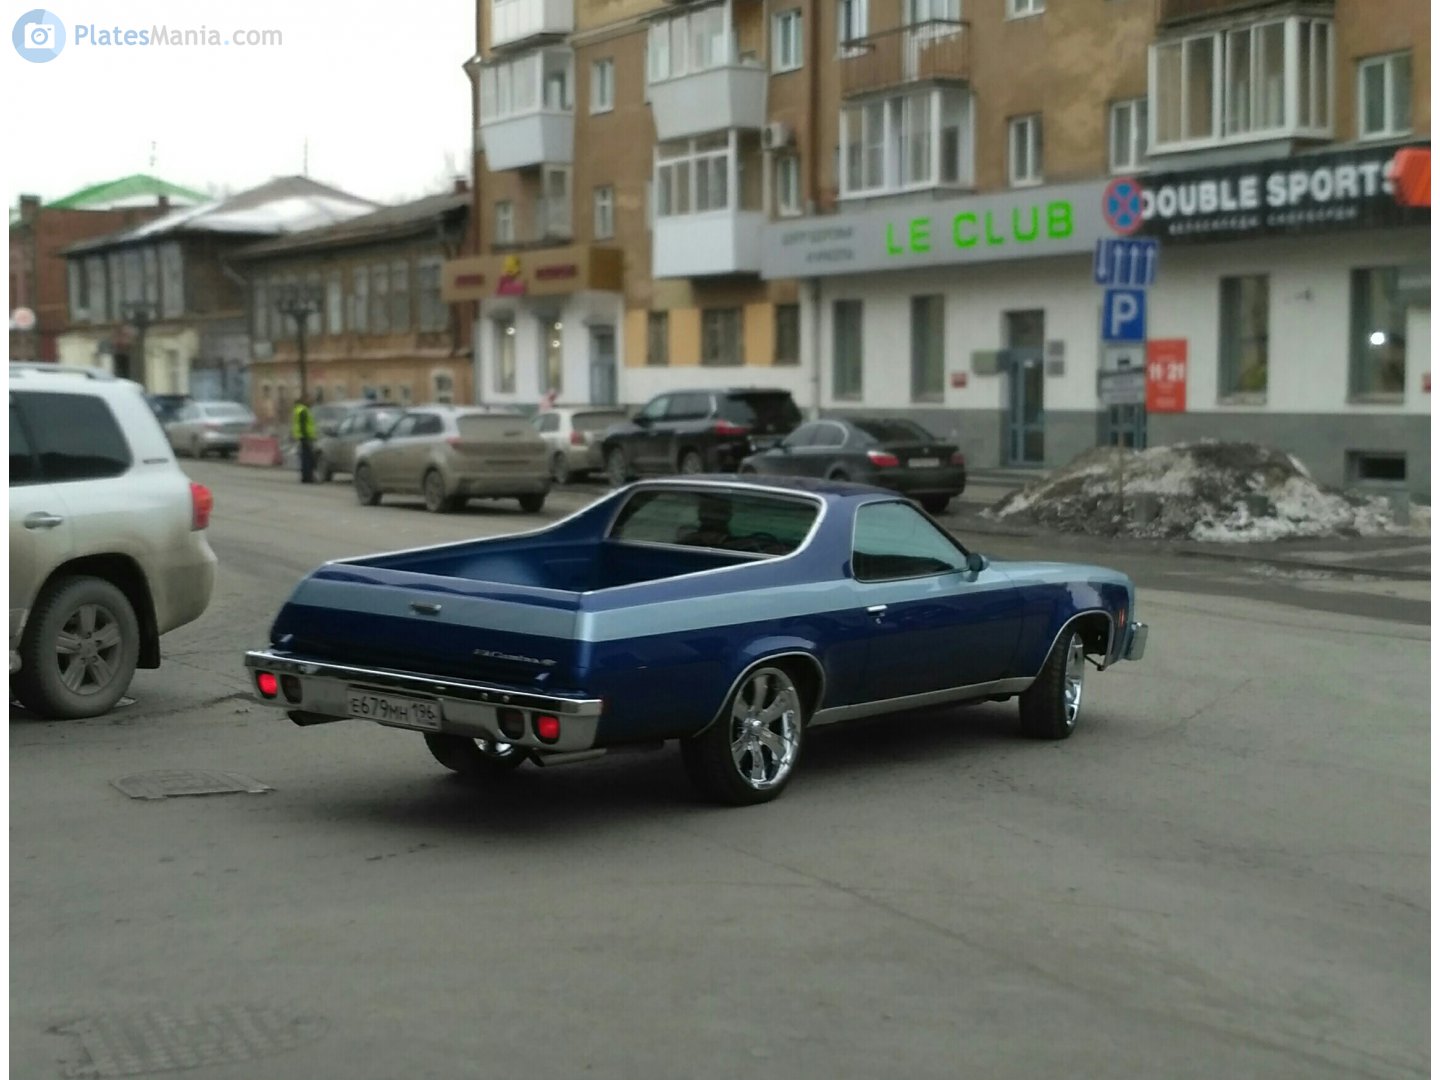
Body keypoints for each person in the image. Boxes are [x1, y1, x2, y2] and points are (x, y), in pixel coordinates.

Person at [292, 395, 317, 484]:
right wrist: (306, 437)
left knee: (304, 458)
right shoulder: (303, 410)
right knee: (308, 458)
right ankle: (308, 477)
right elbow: (303, 425)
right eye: (309, 400)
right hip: (305, 437)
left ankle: (305, 477)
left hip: (302, 437)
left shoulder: (299, 409)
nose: (311, 402)